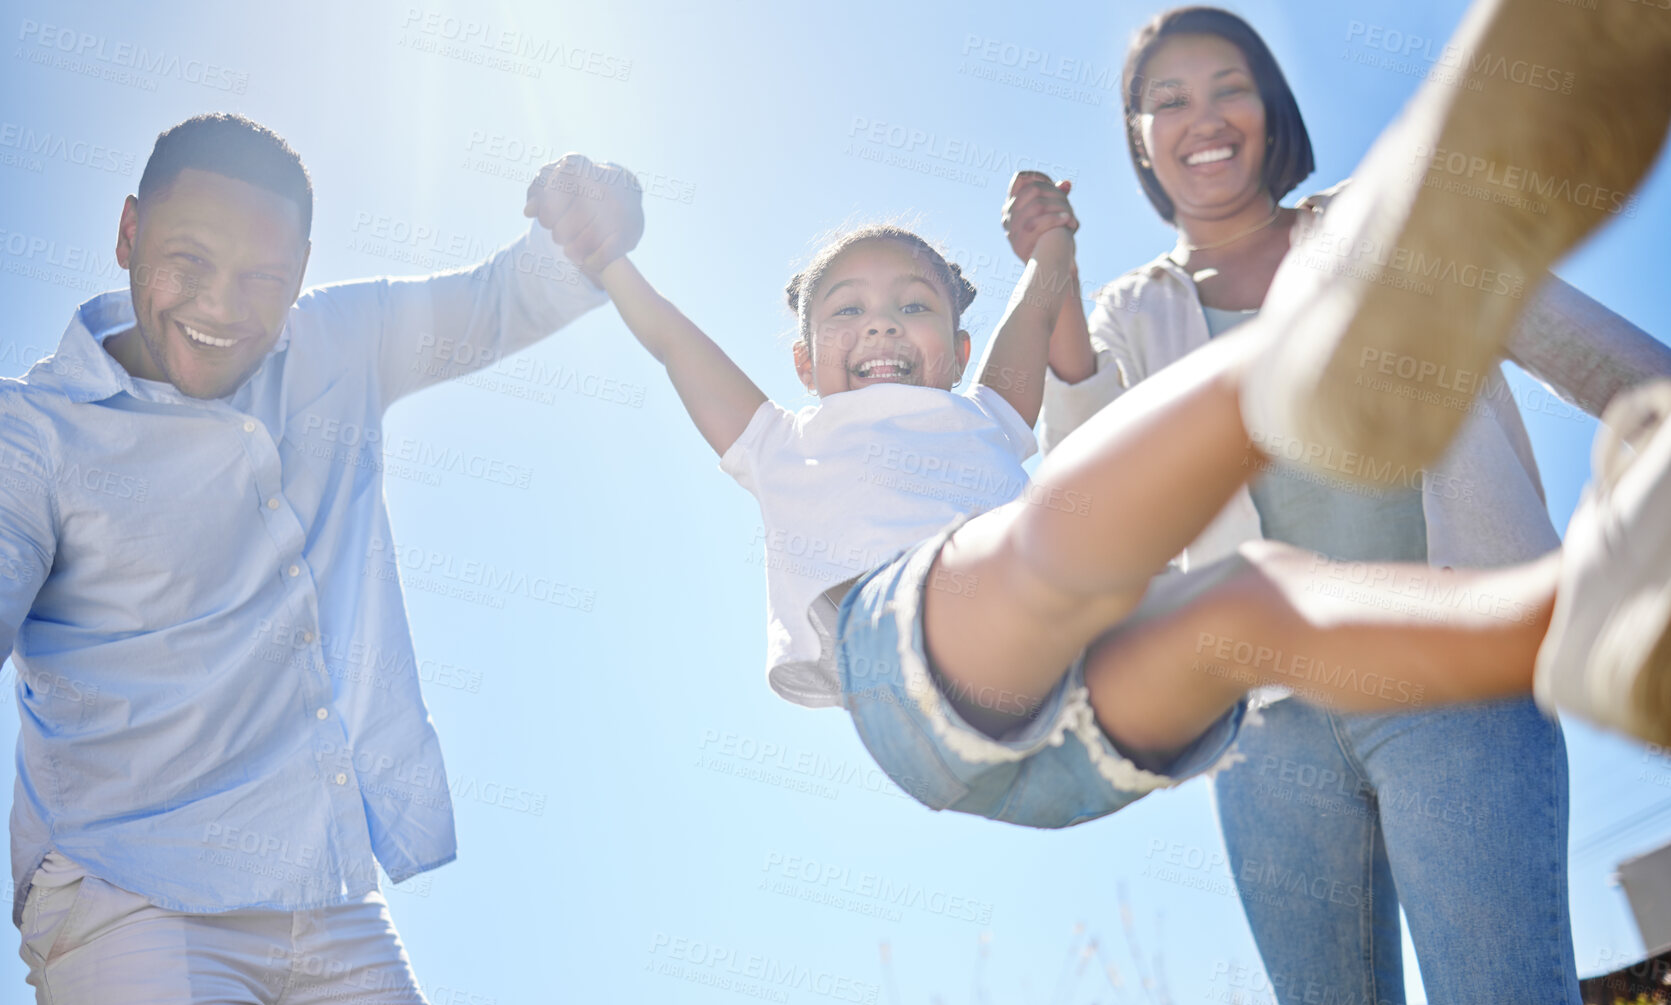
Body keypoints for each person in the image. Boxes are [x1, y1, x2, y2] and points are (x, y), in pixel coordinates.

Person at [588, 0, 1669, 856]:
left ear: (959, 350)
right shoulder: (784, 438)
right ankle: (1339, 328)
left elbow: (1040, 300)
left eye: (914, 305)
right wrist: (606, 262)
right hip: (914, 673)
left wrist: (1051, 250)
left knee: (1250, 600)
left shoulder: (980, 413)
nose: (883, 325)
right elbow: (679, 346)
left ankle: (1586, 619)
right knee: (1063, 525)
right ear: (801, 360)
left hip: (1081, 733)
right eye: (848, 310)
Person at [1019, 4, 1670, 1005]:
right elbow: (1079, 481)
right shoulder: (1132, 313)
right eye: (1166, 99)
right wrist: (1053, 279)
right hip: (1267, 729)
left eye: (1228, 86)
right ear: (1136, 138)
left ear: (1272, 109)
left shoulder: (1389, 229)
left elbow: (1579, 342)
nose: (1199, 118)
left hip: (1451, 671)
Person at [4, 114, 643, 1005]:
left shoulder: (336, 347)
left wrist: (602, 205)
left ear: (303, 272)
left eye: (262, 277)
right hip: (130, 898)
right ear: (126, 235)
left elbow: (505, 298)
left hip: (330, 899)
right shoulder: (36, 438)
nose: (219, 306)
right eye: (187, 263)